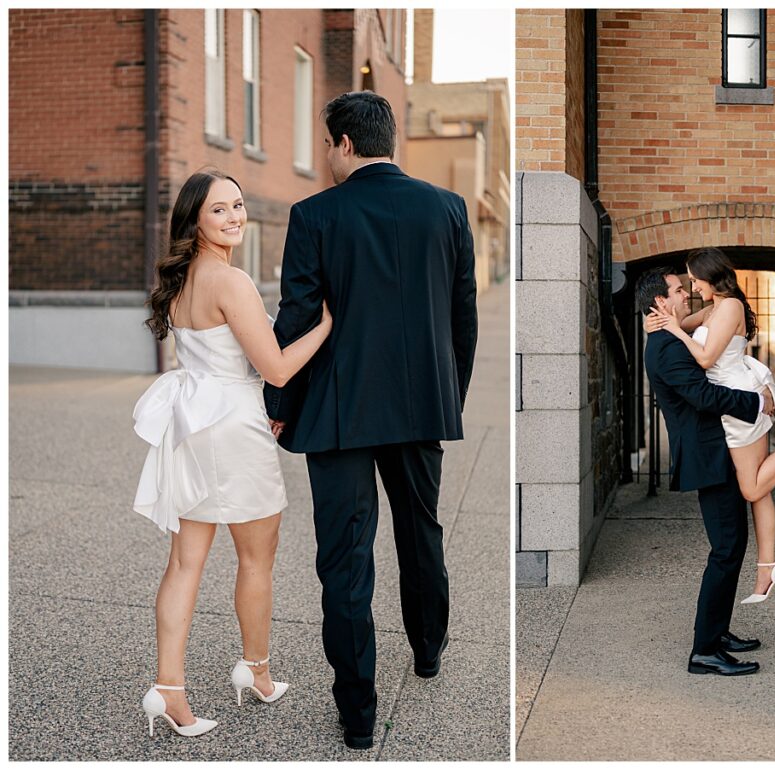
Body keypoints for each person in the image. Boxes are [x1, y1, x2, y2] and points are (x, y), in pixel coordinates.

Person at [263, 91, 478, 750]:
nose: (327, 156)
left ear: (345, 145)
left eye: (328, 145)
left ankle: (357, 714)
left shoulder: (314, 215)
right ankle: (428, 652)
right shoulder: (446, 208)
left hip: (338, 412)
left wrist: (277, 407)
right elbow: (461, 317)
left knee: (346, 563)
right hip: (421, 407)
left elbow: (297, 317)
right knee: (422, 535)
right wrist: (450, 396)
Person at [133, 169, 333, 737]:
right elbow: (273, 367)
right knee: (256, 560)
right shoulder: (231, 280)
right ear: (196, 217)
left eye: (238, 205)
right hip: (234, 427)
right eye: (219, 209)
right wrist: (325, 327)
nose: (235, 216)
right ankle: (258, 672)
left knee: (183, 564)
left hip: (193, 426)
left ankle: (169, 689)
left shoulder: (180, 279)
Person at [638, 266, 775, 676]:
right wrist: (754, 404)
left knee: (733, 544)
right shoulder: (665, 347)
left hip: (720, 449)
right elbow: (702, 394)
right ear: (660, 300)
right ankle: (704, 652)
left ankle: (718, 631)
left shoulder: (669, 336)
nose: (685, 294)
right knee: (725, 551)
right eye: (677, 290)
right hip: (708, 456)